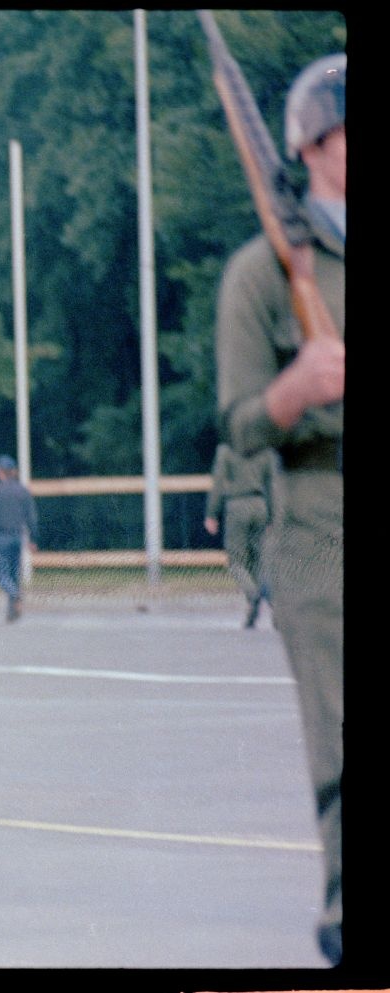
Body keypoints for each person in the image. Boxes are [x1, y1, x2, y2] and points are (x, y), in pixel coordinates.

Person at [214, 52, 343, 966]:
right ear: (312, 146)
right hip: (320, 523)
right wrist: (295, 391)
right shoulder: (265, 272)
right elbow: (239, 422)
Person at [202, 442, 273, 628]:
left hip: (237, 505)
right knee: (259, 560)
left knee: (236, 560)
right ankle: (274, 608)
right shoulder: (263, 448)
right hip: (260, 505)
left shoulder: (227, 449)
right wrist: (273, 513)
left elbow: (219, 481)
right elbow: (273, 482)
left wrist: (211, 513)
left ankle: (253, 595)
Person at [0, 454, 37, 622]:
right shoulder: (23, 491)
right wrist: (33, 539)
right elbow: (31, 517)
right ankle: (12, 612)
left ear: (0, 472)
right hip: (17, 536)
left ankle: (14, 594)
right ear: (13, 472)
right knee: (14, 574)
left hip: (1, 537)